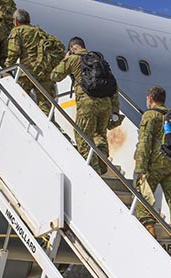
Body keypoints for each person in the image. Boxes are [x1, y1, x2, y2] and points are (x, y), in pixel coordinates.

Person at [50, 36, 119, 176]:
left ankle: (92, 172)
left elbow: (55, 76)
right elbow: (114, 86)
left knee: (83, 136)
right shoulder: (100, 61)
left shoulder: (74, 59)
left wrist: (65, 59)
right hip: (105, 103)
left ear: (72, 48)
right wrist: (115, 109)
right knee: (99, 135)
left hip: (87, 103)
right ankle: (102, 161)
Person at [133, 85, 171, 244]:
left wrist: (140, 168)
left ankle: (149, 229)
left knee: (142, 195)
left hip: (155, 164)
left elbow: (145, 142)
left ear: (150, 99)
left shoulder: (150, 116)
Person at [4, 9, 57, 114]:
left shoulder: (17, 31)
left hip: (27, 73)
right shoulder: (40, 31)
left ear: (15, 21)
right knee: (45, 106)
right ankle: (48, 127)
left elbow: (14, 52)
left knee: (19, 101)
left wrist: (7, 68)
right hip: (44, 72)